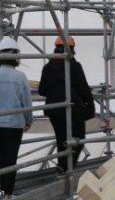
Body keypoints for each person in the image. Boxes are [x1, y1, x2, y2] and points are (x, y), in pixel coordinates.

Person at [0, 37, 33, 197]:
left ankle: (3, 189)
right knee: (10, 159)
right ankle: (8, 192)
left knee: (3, 158)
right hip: (14, 125)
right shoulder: (21, 77)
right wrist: (28, 120)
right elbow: (26, 102)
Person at [37, 35, 94, 172]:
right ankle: (67, 168)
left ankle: (62, 167)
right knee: (78, 140)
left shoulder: (48, 67)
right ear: (71, 49)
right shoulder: (74, 66)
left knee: (62, 140)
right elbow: (84, 88)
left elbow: (42, 90)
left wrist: (55, 91)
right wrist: (90, 108)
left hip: (54, 111)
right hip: (73, 110)